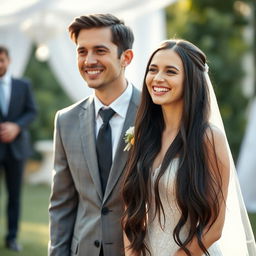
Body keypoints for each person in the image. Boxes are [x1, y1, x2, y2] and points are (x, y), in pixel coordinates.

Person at [122, 39, 256, 256]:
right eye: (153, 69)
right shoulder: (143, 135)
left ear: (191, 80)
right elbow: (131, 210)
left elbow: (215, 224)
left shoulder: (209, 138)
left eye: (170, 71)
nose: (158, 78)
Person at [48, 14, 140, 256]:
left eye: (100, 51)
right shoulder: (65, 120)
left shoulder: (154, 114)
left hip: (139, 249)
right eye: (82, 51)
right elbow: (61, 204)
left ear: (126, 57)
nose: (89, 60)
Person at [0, 45, 37, 251]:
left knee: (14, 196)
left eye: (1, 60)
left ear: (8, 60)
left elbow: (32, 111)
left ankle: (11, 237)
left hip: (17, 149)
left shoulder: (23, 85)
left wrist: (16, 126)